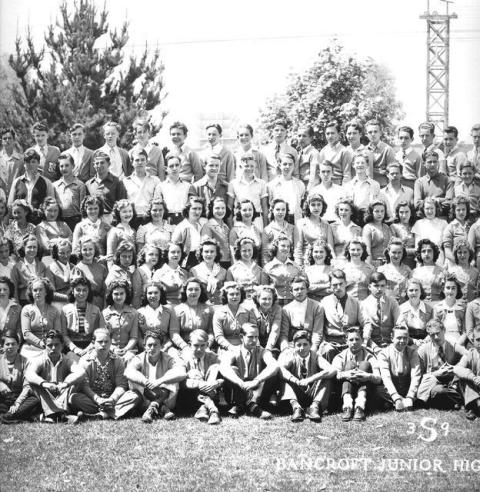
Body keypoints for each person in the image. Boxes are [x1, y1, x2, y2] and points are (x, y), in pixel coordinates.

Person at [66, 328, 141, 420]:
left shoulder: (117, 360)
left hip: (113, 398)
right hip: (93, 398)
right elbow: (84, 386)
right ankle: (111, 412)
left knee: (134, 396)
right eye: (100, 342)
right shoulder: (85, 361)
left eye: (106, 342)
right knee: (74, 398)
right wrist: (98, 399)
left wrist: (113, 399)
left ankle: (100, 415)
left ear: (110, 343)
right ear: (93, 343)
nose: (103, 344)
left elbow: (121, 385)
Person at [125, 331, 186, 423]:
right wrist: (145, 382)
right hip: (145, 398)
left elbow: (182, 373)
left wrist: (160, 381)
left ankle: (154, 406)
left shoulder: (168, 358)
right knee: (133, 378)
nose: (152, 348)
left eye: (155, 345)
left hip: (165, 397)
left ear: (161, 346)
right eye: (149, 345)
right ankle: (161, 408)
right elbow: (128, 372)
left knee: (173, 375)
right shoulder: (139, 358)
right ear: (144, 346)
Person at [220, 323, 279, 419]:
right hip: (239, 389)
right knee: (232, 370)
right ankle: (251, 406)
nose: (255, 340)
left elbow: (274, 366)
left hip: (257, 390)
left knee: (271, 371)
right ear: (241, 337)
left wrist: (256, 380)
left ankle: (246, 405)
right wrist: (239, 382)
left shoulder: (262, 351)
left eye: (256, 337)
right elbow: (223, 367)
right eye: (250, 337)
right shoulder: (234, 351)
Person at [279, 330, 336, 422]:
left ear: (310, 345)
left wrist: (310, 379)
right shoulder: (291, 355)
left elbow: (332, 369)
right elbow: (280, 369)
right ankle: (296, 408)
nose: (302, 348)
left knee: (327, 378)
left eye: (305, 344)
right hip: (296, 393)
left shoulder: (315, 356)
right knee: (284, 379)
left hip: (312, 392)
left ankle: (314, 407)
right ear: (294, 346)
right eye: (298, 345)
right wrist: (294, 380)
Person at [24, 329, 79, 423]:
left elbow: (80, 372)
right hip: (45, 393)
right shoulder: (39, 359)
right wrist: (45, 384)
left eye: (56, 345)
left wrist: (65, 384)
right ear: (45, 346)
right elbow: (29, 374)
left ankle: (51, 415)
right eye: (49, 345)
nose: (53, 348)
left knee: (75, 382)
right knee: (33, 383)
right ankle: (60, 416)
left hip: (60, 392)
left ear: (62, 346)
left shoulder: (67, 360)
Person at [332, 327, 382, 422]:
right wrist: (346, 374)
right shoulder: (340, 357)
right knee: (349, 364)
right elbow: (335, 374)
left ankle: (360, 407)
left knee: (365, 364)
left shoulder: (370, 356)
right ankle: (347, 407)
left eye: (357, 339)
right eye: (351, 339)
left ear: (362, 340)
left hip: (365, 394)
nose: (354, 342)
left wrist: (367, 376)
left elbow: (378, 378)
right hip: (345, 391)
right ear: (346, 341)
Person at [417, 320, 465, 409]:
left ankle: (455, 398)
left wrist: (456, 367)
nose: (436, 337)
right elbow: (420, 376)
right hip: (434, 383)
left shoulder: (452, 345)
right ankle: (461, 399)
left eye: (438, 333)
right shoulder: (423, 350)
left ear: (444, 330)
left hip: (452, 380)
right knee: (439, 392)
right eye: (432, 334)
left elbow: (468, 355)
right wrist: (437, 373)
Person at [319, 269, 364, 362]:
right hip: (331, 342)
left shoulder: (356, 302)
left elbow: (364, 323)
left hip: (350, 342)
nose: (338, 287)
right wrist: (322, 342)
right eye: (335, 285)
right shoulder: (324, 302)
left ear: (346, 283)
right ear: (330, 285)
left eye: (341, 284)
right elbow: (320, 327)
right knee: (327, 351)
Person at [181, 329, 223, 425]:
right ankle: (213, 410)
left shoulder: (213, 357)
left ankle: (203, 408)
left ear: (207, 345)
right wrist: (199, 384)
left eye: (202, 345)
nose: (199, 349)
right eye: (196, 345)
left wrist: (216, 383)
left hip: (211, 392)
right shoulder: (184, 358)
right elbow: (181, 381)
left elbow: (224, 377)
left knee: (214, 367)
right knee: (194, 373)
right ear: (189, 344)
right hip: (191, 395)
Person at [376, 326, 421, 411]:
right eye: (399, 338)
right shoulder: (384, 353)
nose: (402, 341)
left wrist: (410, 396)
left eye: (405, 338)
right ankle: (399, 401)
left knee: (421, 387)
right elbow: (386, 378)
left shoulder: (412, 352)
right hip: (392, 385)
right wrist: (395, 396)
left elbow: (416, 375)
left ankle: (402, 401)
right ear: (392, 338)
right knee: (378, 390)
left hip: (407, 385)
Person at [61, 276, 105, 360]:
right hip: (71, 347)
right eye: (78, 290)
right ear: (72, 291)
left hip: (91, 348)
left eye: (84, 290)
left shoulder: (96, 310)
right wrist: (75, 349)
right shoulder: (65, 310)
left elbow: (98, 334)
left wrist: (88, 349)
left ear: (88, 292)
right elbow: (64, 335)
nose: (81, 293)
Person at [0, 330, 37, 423]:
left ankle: (6, 416)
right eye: (7, 344)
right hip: (3, 398)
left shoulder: (26, 361)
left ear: (18, 345)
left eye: (13, 344)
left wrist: (17, 403)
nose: (10, 347)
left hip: (19, 397)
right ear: (2, 346)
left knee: (36, 400)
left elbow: (27, 386)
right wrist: (1, 385)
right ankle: (20, 416)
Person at [279, 275, 323, 353]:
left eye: (302, 289)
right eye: (296, 289)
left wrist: (314, 348)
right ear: (291, 292)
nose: (299, 292)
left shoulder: (317, 306)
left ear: (307, 290)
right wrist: (285, 349)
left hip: (311, 343)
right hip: (293, 344)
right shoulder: (286, 309)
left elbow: (317, 332)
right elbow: (284, 334)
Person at [20, 277, 61, 359]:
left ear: (46, 292)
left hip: (50, 347)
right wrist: (41, 343)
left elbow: (57, 332)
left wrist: (49, 345)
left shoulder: (54, 310)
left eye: (41, 289)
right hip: (31, 348)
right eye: (35, 290)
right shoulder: (26, 309)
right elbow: (26, 334)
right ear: (31, 293)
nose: (38, 292)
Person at [172, 278, 214, 353]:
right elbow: (174, 333)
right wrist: (185, 347)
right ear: (185, 291)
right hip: (184, 347)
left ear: (201, 291)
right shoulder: (177, 310)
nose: (193, 292)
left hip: (203, 346)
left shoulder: (209, 309)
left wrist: (207, 346)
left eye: (196, 289)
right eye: (190, 289)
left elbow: (211, 332)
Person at [228, 153, 268, 230]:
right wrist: (230, 226)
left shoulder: (261, 183)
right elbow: (230, 207)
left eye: (252, 166)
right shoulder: (233, 183)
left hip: (257, 220)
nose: (249, 168)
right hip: (239, 220)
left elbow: (265, 207)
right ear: (240, 166)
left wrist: (265, 227)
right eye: (246, 166)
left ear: (255, 167)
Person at [361, 272, 400, 353]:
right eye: (376, 286)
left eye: (382, 286)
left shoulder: (392, 302)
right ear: (369, 287)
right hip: (371, 346)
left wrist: (394, 344)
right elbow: (365, 328)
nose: (379, 289)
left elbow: (399, 323)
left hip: (391, 344)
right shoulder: (364, 304)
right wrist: (374, 347)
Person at [8, 149, 55, 216]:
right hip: (21, 222)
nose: (30, 164)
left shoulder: (47, 183)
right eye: (27, 162)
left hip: (39, 223)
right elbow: (10, 205)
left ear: (38, 163)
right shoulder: (17, 182)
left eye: (33, 162)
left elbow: (51, 205)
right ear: (24, 164)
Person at [85, 150, 127, 223]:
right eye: (97, 163)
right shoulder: (89, 184)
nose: (99, 165)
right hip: (94, 221)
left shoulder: (117, 182)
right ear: (94, 165)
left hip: (112, 220)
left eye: (102, 162)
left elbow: (122, 203)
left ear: (109, 164)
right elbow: (86, 206)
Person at [213, 282, 256, 353]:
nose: (235, 297)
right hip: (226, 348)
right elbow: (218, 336)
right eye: (231, 294)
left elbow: (253, 332)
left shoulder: (247, 312)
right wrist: (230, 347)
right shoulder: (219, 312)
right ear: (226, 296)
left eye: (237, 294)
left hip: (246, 346)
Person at [122, 149, 161, 227]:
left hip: (149, 219)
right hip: (131, 219)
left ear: (146, 161)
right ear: (132, 163)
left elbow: (158, 201)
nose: (140, 162)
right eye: (137, 160)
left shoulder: (155, 180)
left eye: (143, 160)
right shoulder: (125, 181)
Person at [294, 193, 334, 268]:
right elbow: (298, 249)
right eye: (313, 205)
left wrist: (333, 263)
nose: (316, 208)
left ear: (323, 206)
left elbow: (330, 247)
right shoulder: (301, 223)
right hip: (307, 263)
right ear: (308, 206)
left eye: (319, 204)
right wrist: (299, 266)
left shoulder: (326, 224)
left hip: (323, 263)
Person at [102, 279, 139, 362]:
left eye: (122, 293)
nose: (119, 297)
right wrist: (113, 349)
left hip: (129, 350)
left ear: (126, 294)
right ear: (111, 295)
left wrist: (126, 349)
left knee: (128, 359)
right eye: (116, 294)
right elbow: (104, 337)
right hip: (109, 349)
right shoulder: (104, 313)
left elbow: (134, 337)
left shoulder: (133, 313)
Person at [137, 281, 178, 352]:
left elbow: (173, 334)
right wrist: (146, 347)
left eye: (156, 293)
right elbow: (138, 337)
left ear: (160, 294)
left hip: (166, 347)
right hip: (146, 348)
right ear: (145, 295)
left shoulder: (169, 310)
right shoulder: (139, 312)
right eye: (150, 293)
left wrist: (166, 347)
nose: (153, 296)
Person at [156, 154, 196, 226]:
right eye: (171, 166)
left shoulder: (188, 186)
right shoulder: (160, 187)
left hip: (184, 219)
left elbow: (192, 205)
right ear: (166, 168)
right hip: (167, 220)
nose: (174, 168)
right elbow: (158, 206)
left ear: (180, 167)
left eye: (177, 165)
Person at [11, 234, 49, 305]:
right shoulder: (17, 266)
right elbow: (14, 290)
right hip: (24, 302)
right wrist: (16, 306)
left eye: (34, 247)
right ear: (23, 248)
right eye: (29, 247)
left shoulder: (42, 265)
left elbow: (46, 285)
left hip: (41, 302)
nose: (32, 250)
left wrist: (23, 285)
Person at [267, 152, 305, 223]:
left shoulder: (300, 184)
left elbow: (302, 205)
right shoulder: (271, 185)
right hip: (278, 220)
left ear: (294, 166)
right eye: (285, 164)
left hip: (296, 220)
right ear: (279, 165)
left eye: (290, 164)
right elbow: (269, 206)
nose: (287, 167)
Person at [53, 152, 87, 232]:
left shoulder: (80, 185)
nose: (64, 168)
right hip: (60, 221)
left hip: (75, 221)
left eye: (67, 165)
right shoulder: (54, 185)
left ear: (73, 166)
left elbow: (83, 208)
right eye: (61, 166)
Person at [171, 197, 208, 270]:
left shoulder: (204, 222)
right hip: (187, 261)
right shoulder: (181, 227)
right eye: (194, 209)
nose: (197, 212)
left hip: (203, 258)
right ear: (188, 210)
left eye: (199, 209)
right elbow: (174, 247)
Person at [263, 237, 302, 306]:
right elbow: (263, 290)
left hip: (293, 304)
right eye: (283, 246)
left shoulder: (296, 267)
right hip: (274, 304)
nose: (286, 249)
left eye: (288, 246)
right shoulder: (268, 268)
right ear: (276, 247)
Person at [72, 235, 107, 309]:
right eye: (84, 249)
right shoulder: (77, 269)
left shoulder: (102, 268)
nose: (88, 252)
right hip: (85, 305)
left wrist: (105, 307)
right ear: (80, 251)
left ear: (95, 250)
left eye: (90, 249)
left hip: (100, 304)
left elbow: (106, 290)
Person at [413, 150, 452, 218]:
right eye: (429, 162)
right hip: (424, 218)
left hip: (442, 218)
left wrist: (433, 201)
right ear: (424, 164)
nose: (432, 164)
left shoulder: (447, 180)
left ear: (438, 163)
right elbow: (417, 203)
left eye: (435, 162)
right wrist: (440, 200)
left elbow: (449, 201)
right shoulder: (419, 182)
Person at [105, 240, 142, 308]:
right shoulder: (114, 272)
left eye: (129, 256)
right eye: (124, 256)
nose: (127, 259)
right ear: (119, 257)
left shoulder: (133, 271)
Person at [190, 238, 227, 305]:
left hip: (219, 307)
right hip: (201, 307)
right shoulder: (194, 271)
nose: (209, 254)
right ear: (201, 253)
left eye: (212, 251)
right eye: (206, 251)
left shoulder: (223, 271)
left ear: (216, 253)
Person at [453, 327, 480, 420]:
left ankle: (475, 406)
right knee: (465, 379)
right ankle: (475, 405)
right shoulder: (470, 354)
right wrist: (472, 377)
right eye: (478, 340)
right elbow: (457, 368)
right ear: (473, 340)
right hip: (475, 386)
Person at [261, 198, 298, 265]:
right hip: (273, 266)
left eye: (283, 209)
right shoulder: (267, 230)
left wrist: (297, 267)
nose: (280, 212)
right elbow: (265, 254)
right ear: (272, 210)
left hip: (290, 265)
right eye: (278, 209)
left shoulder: (292, 228)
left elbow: (297, 251)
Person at [397, 278, 433, 345]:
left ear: (421, 292)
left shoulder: (429, 309)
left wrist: (425, 341)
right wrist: (414, 342)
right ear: (406, 292)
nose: (414, 293)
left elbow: (433, 330)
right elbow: (401, 330)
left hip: (427, 343)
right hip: (407, 343)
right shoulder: (401, 309)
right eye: (411, 290)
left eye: (416, 290)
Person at [344, 152, 380, 217]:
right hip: (353, 217)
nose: (360, 165)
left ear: (367, 165)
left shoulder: (375, 185)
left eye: (362, 163)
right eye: (357, 163)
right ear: (353, 165)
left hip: (369, 217)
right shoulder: (348, 186)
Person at [432, 274, 466, 345]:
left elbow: (464, 332)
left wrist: (458, 345)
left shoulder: (463, 308)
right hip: (442, 340)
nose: (450, 291)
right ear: (443, 290)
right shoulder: (437, 307)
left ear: (457, 290)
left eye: (453, 288)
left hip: (458, 340)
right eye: (448, 288)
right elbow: (435, 330)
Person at [200, 196, 232, 270]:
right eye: (217, 208)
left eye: (223, 208)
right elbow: (206, 248)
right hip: (215, 263)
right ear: (211, 209)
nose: (220, 211)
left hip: (228, 262)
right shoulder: (208, 226)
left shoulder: (226, 227)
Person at [377, 237, 412, 303]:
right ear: (388, 252)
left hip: (403, 305)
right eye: (394, 252)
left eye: (399, 253)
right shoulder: (381, 270)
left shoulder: (408, 270)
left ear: (403, 253)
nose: (396, 255)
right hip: (387, 305)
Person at [411, 239, 445, 303]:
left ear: (434, 252)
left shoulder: (442, 271)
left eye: (429, 251)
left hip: (438, 307)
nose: (426, 254)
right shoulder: (414, 273)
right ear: (420, 254)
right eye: (423, 251)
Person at [250, 285, 282, 353]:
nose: (267, 302)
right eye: (264, 299)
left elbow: (275, 331)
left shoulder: (277, 309)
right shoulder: (252, 310)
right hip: (255, 344)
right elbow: (253, 332)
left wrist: (268, 349)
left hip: (272, 344)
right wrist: (260, 350)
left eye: (269, 299)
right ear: (258, 299)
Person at [330, 198, 362, 267]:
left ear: (351, 212)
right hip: (335, 261)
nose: (343, 212)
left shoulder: (357, 229)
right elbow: (330, 247)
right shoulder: (332, 227)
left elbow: (359, 249)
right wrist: (335, 261)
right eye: (341, 210)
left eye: (346, 210)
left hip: (352, 262)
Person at [319, 120, 351, 186]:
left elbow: (347, 175)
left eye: (332, 133)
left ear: (339, 134)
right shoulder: (323, 151)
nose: (330, 136)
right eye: (328, 134)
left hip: (338, 187)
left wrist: (343, 192)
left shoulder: (344, 151)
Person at [365, 119, 396, 187]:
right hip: (367, 186)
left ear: (380, 133)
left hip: (383, 186)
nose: (373, 134)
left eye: (375, 131)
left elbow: (392, 172)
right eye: (370, 132)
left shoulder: (388, 150)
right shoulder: (364, 150)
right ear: (366, 134)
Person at [362, 199, 392, 267]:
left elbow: (390, 247)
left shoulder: (386, 227)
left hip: (387, 263)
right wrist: (369, 266)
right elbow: (367, 250)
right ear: (371, 212)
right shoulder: (368, 228)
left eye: (382, 211)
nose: (380, 214)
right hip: (374, 263)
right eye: (377, 211)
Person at [448, 240, 479, 305]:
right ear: (455, 254)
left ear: (469, 253)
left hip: (471, 307)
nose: (462, 255)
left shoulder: (476, 272)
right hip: (456, 306)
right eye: (459, 252)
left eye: (465, 252)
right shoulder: (451, 271)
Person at [106, 199, 137, 264]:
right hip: (118, 268)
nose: (128, 214)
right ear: (118, 213)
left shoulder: (133, 231)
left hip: (132, 268)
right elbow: (110, 256)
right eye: (124, 212)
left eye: (130, 211)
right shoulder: (114, 231)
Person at [443, 196, 470, 266]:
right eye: (458, 210)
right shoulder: (450, 227)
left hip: (469, 265)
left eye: (463, 209)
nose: (461, 212)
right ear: (454, 212)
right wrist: (459, 263)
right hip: (454, 265)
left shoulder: (471, 227)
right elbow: (447, 251)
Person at [48, 238, 75, 309]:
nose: (66, 256)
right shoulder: (50, 269)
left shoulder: (74, 267)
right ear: (56, 253)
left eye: (68, 252)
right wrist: (68, 298)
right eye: (61, 253)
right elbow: (51, 294)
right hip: (57, 304)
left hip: (73, 302)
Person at [389, 201, 417, 269]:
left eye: (407, 212)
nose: (404, 215)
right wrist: (416, 250)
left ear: (411, 213)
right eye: (401, 212)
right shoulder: (394, 227)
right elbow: (393, 247)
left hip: (417, 260)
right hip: (401, 260)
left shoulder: (416, 225)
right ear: (398, 213)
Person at [0, 127, 24, 195]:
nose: (7, 140)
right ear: (1, 141)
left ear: (14, 140)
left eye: (10, 138)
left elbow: (24, 180)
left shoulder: (21, 159)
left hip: (16, 196)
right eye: (4, 138)